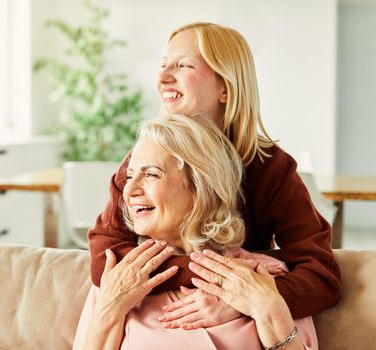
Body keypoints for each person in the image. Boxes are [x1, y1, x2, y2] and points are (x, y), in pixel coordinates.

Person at [88, 22, 341, 328]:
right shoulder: (142, 158)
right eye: (163, 64)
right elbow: (106, 258)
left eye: (183, 65)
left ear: (225, 87)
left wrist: (243, 301)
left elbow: (320, 276)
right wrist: (221, 279)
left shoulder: (271, 167)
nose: (162, 77)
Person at [73, 114, 318, 350]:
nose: (130, 190)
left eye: (151, 174)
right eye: (129, 176)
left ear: (200, 187)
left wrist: (269, 309)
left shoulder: (263, 277)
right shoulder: (118, 277)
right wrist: (110, 308)